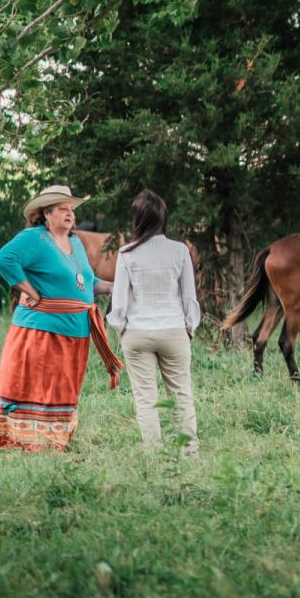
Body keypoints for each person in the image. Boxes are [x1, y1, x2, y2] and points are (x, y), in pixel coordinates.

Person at [0, 185, 122, 451]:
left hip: (76, 330)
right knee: (38, 384)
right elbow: (4, 259)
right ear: (46, 213)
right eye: (63, 209)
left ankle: (55, 440)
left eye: (71, 209)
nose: (69, 214)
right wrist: (29, 290)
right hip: (42, 329)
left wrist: (111, 286)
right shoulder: (35, 238)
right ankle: (25, 440)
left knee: (63, 386)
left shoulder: (75, 243)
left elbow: (85, 280)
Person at [106, 190, 201, 456]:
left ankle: (154, 455)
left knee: (146, 398)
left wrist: (121, 328)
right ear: (163, 218)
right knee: (182, 394)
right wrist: (189, 328)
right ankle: (189, 453)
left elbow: (120, 302)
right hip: (173, 330)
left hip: (137, 332)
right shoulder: (179, 250)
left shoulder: (126, 253)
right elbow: (189, 297)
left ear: (138, 219)